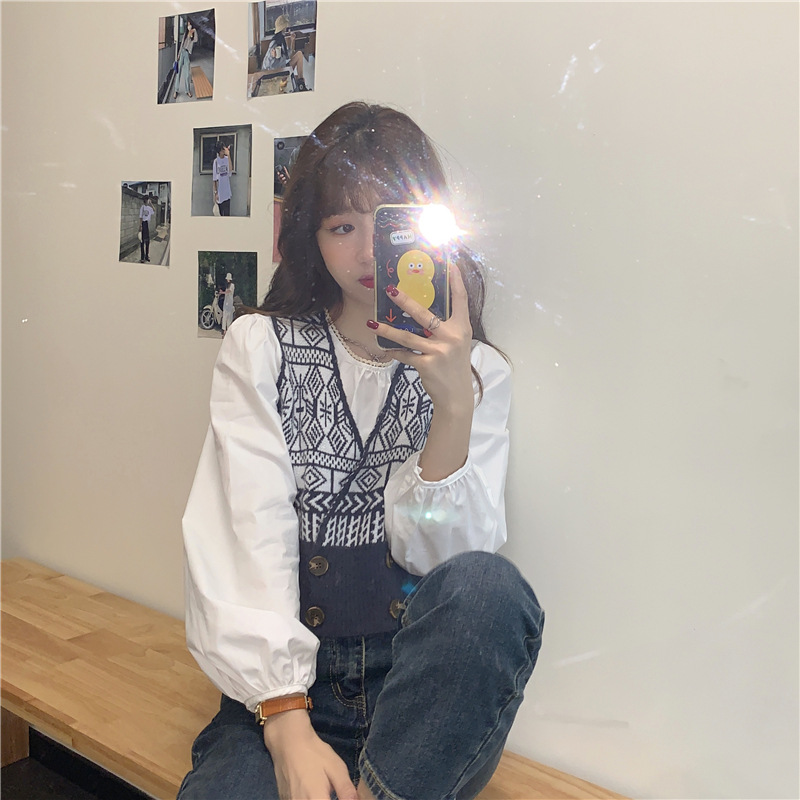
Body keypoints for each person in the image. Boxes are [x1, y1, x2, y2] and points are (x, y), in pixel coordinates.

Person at [179, 102, 544, 800]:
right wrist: (287, 723)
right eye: (343, 226)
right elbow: (245, 530)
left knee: (491, 588)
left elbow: (445, 567)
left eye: (391, 223)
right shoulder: (262, 348)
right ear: (310, 238)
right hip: (284, 699)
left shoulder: (480, 375)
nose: (370, 250)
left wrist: (452, 408)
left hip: (422, 705)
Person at [261, 14, 309, 91]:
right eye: (285, 27)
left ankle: (301, 83)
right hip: (276, 73)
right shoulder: (274, 43)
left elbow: (288, 55)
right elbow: (266, 65)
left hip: (282, 68)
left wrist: (292, 40)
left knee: (299, 54)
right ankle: (301, 84)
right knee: (296, 75)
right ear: (283, 28)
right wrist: (272, 56)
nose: (287, 28)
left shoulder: (282, 40)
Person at [174, 18, 198, 100]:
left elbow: (196, 40)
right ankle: (176, 90)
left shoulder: (193, 34)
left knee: (187, 73)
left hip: (187, 53)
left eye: (190, 24)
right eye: (188, 24)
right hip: (182, 52)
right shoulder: (185, 33)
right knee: (178, 72)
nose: (189, 26)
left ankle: (187, 90)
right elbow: (181, 45)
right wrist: (178, 54)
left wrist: (194, 31)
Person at [212, 141, 232, 216]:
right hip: (220, 193)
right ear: (219, 151)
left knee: (227, 215)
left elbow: (230, 171)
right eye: (222, 149)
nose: (223, 150)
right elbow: (214, 179)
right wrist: (215, 193)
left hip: (227, 192)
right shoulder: (216, 162)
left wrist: (229, 155)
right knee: (220, 215)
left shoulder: (227, 159)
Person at [138, 195, 154, 263]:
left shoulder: (149, 208)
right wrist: (140, 226)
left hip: (147, 224)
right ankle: (142, 257)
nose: (146, 201)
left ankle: (146, 256)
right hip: (143, 224)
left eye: (147, 200)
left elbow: (154, 210)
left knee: (147, 242)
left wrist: (151, 204)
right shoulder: (142, 207)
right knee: (142, 241)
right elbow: (141, 217)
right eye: (146, 200)